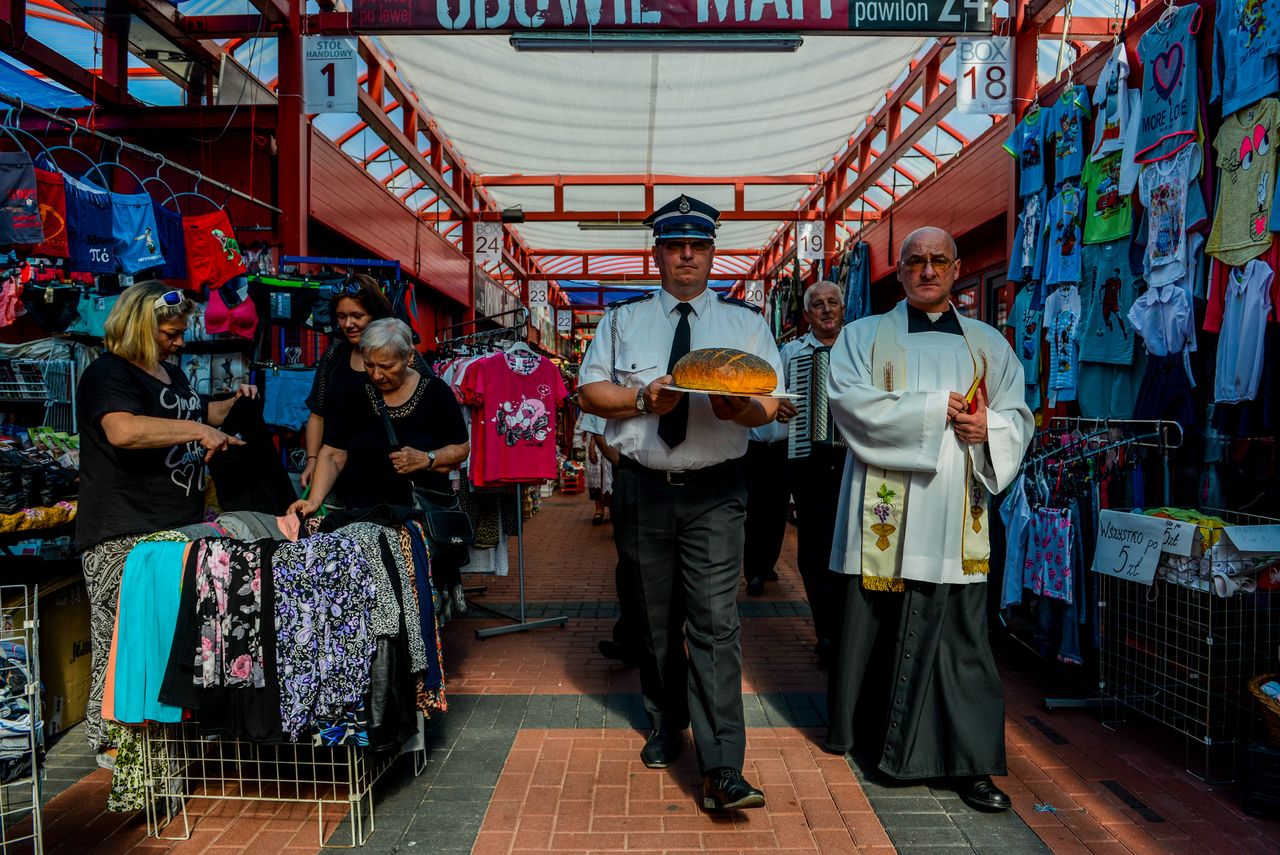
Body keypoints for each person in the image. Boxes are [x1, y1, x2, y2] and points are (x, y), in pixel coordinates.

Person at [578, 194, 784, 812]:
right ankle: (666, 723)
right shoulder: (622, 321)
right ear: (658, 253)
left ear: (713, 252)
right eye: (674, 245)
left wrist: (739, 406)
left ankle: (723, 767)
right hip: (643, 487)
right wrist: (642, 400)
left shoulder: (745, 325)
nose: (686, 255)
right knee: (653, 617)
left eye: (697, 244)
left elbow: (770, 403)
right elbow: (589, 392)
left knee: (716, 623)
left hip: (717, 491)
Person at [823, 227, 1034, 812]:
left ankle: (970, 763)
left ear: (958, 267)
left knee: (963, 640)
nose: (927, 270)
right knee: (881, 624)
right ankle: (871, 741)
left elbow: (1019, 412)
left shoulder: (987, 344)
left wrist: (986, 428)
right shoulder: (862, 337)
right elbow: (848, 404)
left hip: (953, 516)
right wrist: (932, 409)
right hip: (883, 520)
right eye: (915, 260)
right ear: (900, 270)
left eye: (939, 259)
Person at [76, 281, 254, 754]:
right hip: (124, 531)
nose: (179, 341)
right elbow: (124, 430)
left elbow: (195, 413)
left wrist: (230, 405)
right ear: (140, 326)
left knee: (166, 641)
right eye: (170, 334)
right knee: (121, 644)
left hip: (175, 529)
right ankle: (113, 743)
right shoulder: (107, 374)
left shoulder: (169, 374)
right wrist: (197, 429)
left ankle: (160, 746)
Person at [289, 318, 469, 515]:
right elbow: (333, 453)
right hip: (363, 513)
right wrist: (314, 500)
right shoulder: (355, 392)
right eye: (369, 365)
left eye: (386, 366)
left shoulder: (435, 392)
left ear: (408, 357)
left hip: (419, 517)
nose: (376, 375)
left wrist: (427, 458)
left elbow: (460, 448)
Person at [299, 274, 430, 495]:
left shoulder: (403, 356)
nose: (348, 324)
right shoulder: (334, 356)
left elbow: (429, 404)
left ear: (375, 315)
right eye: (341, 316)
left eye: (357, 316)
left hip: (389, 479)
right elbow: (317, 414)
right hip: (336, 475)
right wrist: (312, 460)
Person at [780, 281, 847, 667]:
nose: (825, 310)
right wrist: (782, 407)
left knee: (850, 547)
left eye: (832, 303)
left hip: (854, 459)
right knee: (813, 551)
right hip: (808, 458)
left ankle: (847, 631)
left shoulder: (860, 347)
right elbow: (777, 395)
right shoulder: (792, 352)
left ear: (842, 308)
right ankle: (825, 632)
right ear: (807, 313)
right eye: (818, 305)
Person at [578, 410, 615, 524]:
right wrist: (578, 443)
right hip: (594, 443)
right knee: (596, 476)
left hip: (611, 439)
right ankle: (599, 509)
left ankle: (614, 510)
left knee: (612, 476)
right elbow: (581, 423)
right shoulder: (589, 402)